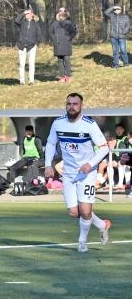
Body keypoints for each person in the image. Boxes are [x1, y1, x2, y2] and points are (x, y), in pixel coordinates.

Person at [44, 92, 111, 253]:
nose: (71, 107)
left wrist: (90, 164)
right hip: (69, 173)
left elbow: (104, 148)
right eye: (69, 104)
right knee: (74, 212)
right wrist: (48, 165)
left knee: (86, 211)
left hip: (87, 173)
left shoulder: (89, 124)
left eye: (75, 104)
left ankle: (82, 242)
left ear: (81, 106)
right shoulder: (58, 123)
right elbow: (51, 143)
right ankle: (102, 224)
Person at [14, 9, 42, 85]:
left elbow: (39, 34)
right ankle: (22, 81)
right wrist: (23, 12)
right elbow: (16, 20)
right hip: (22, 46)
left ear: (32, 14)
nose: (27, 15)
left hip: (32, 46)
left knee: (31, 64)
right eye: (26, 14)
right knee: (22, 64)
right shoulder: (22, 22)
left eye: (29, 13)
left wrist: (37, 43)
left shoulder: (36, 23)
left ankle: (31, 81)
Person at [50, 7, 77, 82]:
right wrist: (55, 38)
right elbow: (51, 32)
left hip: (66, 44)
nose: (62, 12)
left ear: (66, 12)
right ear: (58, 12)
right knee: (60, 60)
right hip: (58, 44)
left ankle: (68, 76)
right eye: (60, 11)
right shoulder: (54, 23)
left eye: (64, 11)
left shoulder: (69, 22)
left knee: (67, 59)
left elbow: (74, 32)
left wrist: (69, 38)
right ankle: (62, 77)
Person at [104, 4, 130, 68]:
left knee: (123, 50)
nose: (116, 10)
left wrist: (124, 32)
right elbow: (105, 12)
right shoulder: (112, 16)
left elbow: (128, 26)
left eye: (118, 9)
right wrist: (113, 7)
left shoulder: (125, 16)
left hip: (122, 37)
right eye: (115, 9)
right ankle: (116, 65)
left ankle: (126, 63)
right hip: (113, 37)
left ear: (121, 10)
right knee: (115, 51)